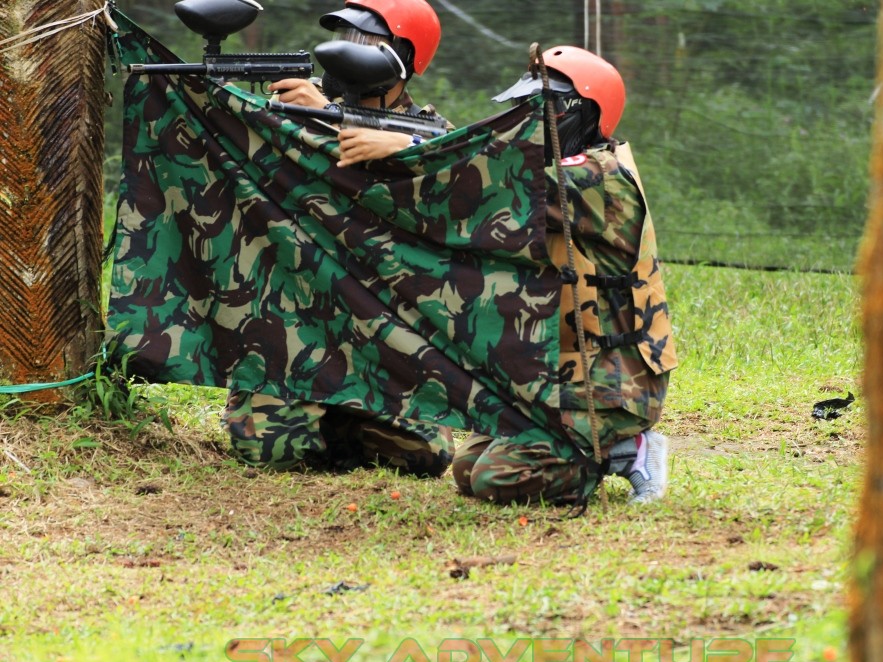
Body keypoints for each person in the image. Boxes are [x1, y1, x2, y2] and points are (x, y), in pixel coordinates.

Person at [222, 0, 454, 477]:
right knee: (269, 452)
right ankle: (321, 414)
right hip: (298, 323)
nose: (349, 54)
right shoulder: (294, 117)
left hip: (381, 330)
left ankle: (340, 416)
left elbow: (458, 170)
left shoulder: (430, 134)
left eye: (368, 44)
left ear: (404, 63)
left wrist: (330, 115)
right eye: (346, 41)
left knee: (426, 456)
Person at [451, 46, 678, 506]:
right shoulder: (565, 173)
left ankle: (629, 450)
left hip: (613, 385)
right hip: (562, 373)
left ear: (582, 114)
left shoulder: (600, 178)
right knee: (467, 466)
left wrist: (400, 146)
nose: (526, 124)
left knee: (496, 477)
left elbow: (486, 179)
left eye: (541, 112)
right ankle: (595, 447)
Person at [268, 0, 449, 167]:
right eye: (346, 39)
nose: (346, 55)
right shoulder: (304, 94)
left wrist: (403, 144)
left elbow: (449, 163)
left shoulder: (429, 126)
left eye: (364, 44)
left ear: (406, 56)